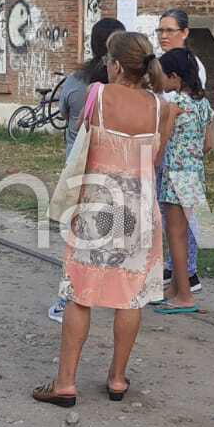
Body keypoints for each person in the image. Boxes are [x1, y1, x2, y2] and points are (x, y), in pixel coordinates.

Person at [34, 32, 176, 407]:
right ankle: (116, 378)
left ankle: (65, 382)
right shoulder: (161, 108)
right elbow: (154, 162)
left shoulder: (98, 94)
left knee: (81, 294)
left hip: (98, 202)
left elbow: (83, 141)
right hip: (139, 208)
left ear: (114, 65)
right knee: (129, 298)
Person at [47, 17, 124, 323]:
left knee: (77, 242)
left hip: (80, 172)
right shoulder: (126, 87)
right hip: (117, 171)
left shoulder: (77, 83)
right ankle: (117, 295)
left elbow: (65, 114)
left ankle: (67, 301)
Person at [156, 48, 214, 313]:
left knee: (175, 236)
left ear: (174, 76)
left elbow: (162, 141)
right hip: (194, 174)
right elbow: (208, 145)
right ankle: (176, 289)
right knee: (182, 232)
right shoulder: (204, 104)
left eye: (163, 77)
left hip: (173, 175)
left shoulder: (174, 106)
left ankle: (185, 297)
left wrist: (153, 164)